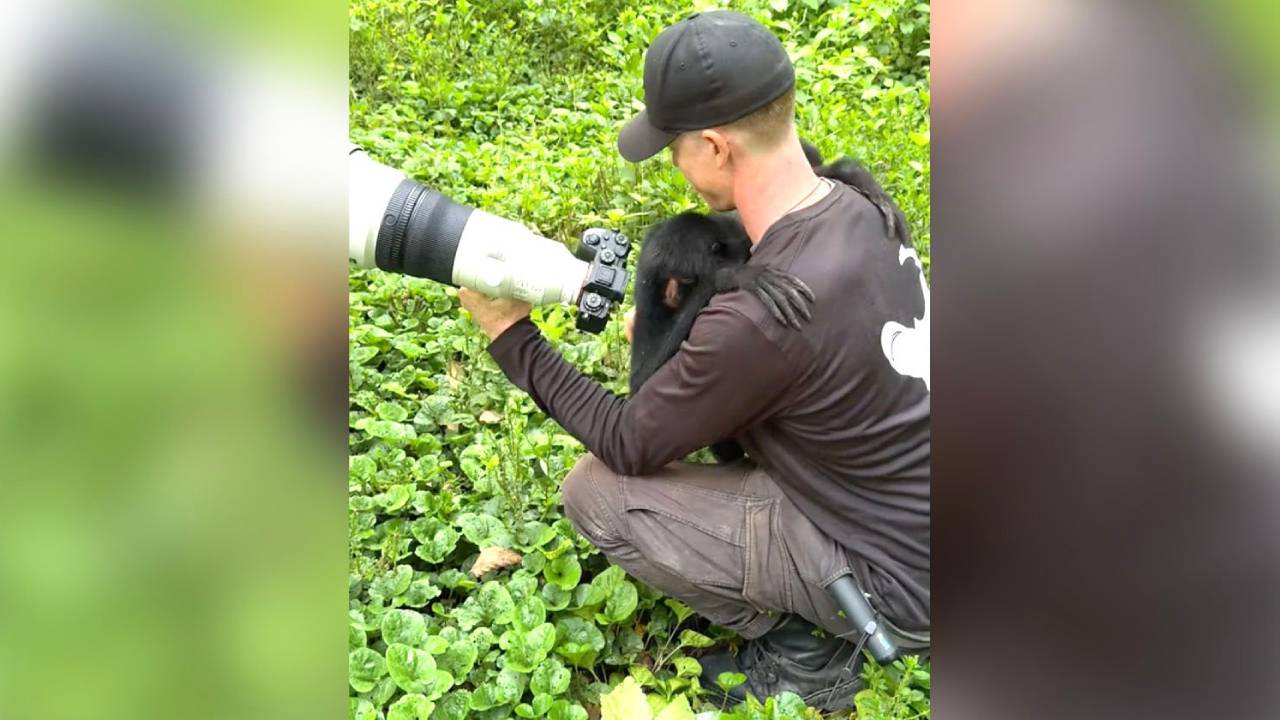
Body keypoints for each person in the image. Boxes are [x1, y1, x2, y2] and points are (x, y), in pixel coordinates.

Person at [459, 10, 930, 711]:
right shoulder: (858, 204)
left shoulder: (762, 317)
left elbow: (628, 441)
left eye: (673, 148)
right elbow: (804, 350)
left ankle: (814, 650)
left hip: (895, 584)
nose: (674, 166)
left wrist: (511, 336)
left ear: (714, 147)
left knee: (597, 491)